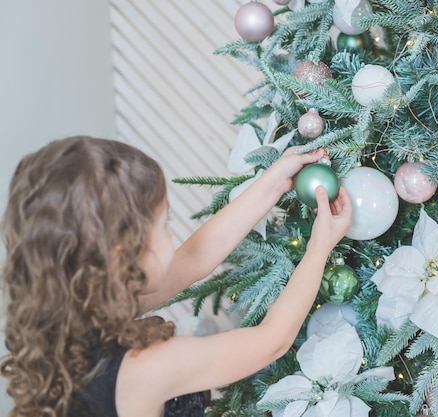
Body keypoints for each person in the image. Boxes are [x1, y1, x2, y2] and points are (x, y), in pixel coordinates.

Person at [0, 136, 353, 417]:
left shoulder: (80, 310)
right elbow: (272, 340)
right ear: (126, 255)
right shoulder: (146, 368)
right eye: (164, 225)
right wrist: (320, 246)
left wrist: (274, 183)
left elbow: (194, 259)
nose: (172, 238)